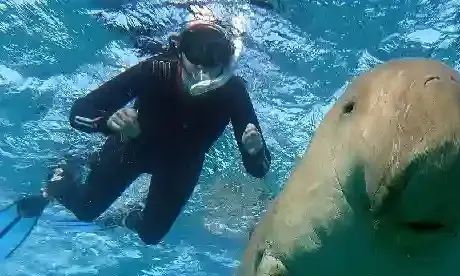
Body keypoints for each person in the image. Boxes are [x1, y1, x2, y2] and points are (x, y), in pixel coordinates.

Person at [1, 18, 271, 255]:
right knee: (85, 211)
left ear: (224, 68)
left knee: (151, 235)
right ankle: (63, 174)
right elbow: (79, 112)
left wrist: (254, 151)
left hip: (181, 167)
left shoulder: (233, 92)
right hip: (133, 147)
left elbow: (259, 169)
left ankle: (127, 217)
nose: (199, 82)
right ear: (180, 57)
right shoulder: (155, 71)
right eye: (193, 71)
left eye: (210, 74)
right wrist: (108, 123)